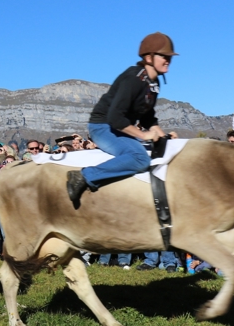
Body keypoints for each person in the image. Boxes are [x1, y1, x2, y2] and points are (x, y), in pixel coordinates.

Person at [68, 32, 178, 204]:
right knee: (140, 158)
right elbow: (115, 118)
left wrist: (164, 136)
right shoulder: (134, 78)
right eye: (163, 56)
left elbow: (148, 116)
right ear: (149, 57)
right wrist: (143, 135)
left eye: (169, 57)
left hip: (117, 127)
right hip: (103, 126)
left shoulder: (153, 83)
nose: (167, 60)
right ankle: (83, 176)